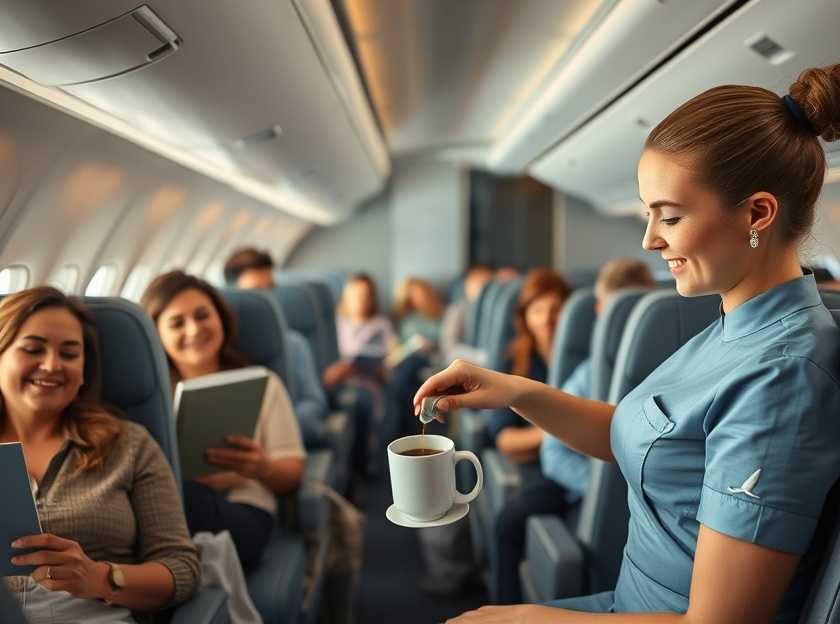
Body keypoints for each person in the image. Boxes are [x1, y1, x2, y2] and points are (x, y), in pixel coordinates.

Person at [415, 63, 840, 623]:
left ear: (758, 213)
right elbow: (642, 440)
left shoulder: (781, 377)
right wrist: (514, 389)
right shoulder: (735, 327)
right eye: (647, 214)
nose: (649, 239)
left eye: (670, 216)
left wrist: (526, 619)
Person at [0, 287, 199, 622]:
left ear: (84, 371)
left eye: (69, 353)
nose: (51, 365)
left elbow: (182, 568)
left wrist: (100, 578)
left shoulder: (128, 445)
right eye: (33, 349)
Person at [494, 259, 656, 604]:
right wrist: (609, 492)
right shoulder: (586, 373)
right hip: (583, 484)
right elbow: (550, 452)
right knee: (510, 521)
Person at [141, 271, 306, 571]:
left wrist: (262, 467)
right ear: (156, 335)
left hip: (245, 510)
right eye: (177, 323)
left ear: (221, 319)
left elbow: (292, 475)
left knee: (187, 498)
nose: (194, 329)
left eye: (203, 316)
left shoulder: (263, 383)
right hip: (165, 518)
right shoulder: (146, 401)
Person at [223, 247, 329, 449]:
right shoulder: (215, 349)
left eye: (270, 289)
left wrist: (274, 433)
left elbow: (314, 403)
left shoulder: (294, 344)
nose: (267, 300)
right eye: (255, 292)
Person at [439, 265, 493, 361]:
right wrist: (482, 357)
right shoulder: (457, 310)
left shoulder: (496, 311)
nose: (483, 291)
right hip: (465, 362)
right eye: (478, 285)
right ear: (467, 287)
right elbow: (449, 348)